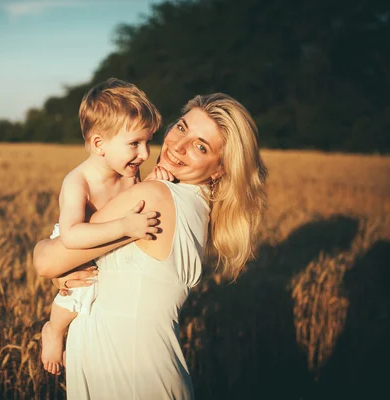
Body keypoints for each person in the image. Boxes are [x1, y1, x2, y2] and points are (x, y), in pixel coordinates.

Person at [34, 93, 268, 399]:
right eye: (182, 128)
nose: (178, 146)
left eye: (201, 147)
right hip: (143, 373)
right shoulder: (195, 205)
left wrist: (60, 268)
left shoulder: (154, 196)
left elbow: (47, 261)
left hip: (125, 379)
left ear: (220, 168)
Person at [41, 78, 167, 376]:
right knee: (78, 290)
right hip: (79, 240)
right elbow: (71, 235)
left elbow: (134, 204)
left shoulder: (128, 171)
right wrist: (125, 225)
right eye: (135, 144)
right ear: (99, 144)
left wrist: (154, 184)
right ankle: (54, 331)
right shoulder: (78, 181)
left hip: (112, 237)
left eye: (148, 142)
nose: (145, 154)